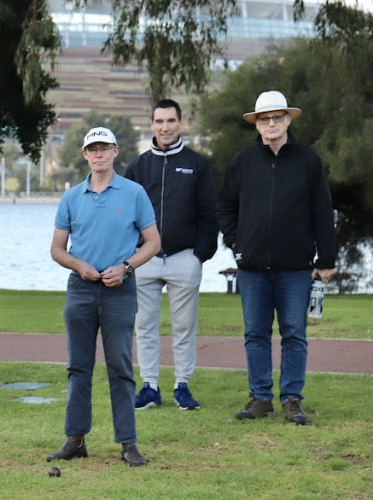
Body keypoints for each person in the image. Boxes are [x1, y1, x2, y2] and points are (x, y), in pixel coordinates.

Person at [216, 90, 336, 425]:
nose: (271, 123)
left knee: (294, 333)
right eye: (264, 119)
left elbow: (323, 212)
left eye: (277, 117)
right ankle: (260, 398)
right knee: (255, 333)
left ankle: (292, 400)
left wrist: (326, 258)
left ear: (288, 120)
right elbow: (224, 206)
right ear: (256, 124)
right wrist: (236, 243)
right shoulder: (242, 161)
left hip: (296, 267)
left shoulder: (308, 160)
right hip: (252, 267)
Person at [48, 127, 161, 467]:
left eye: (104, 148)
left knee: (121, 367)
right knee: (78, 368)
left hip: (119, 290)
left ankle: (128, 444)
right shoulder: (71, 197)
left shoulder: (134, 193)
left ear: (115, 152)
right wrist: (77, 264)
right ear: (85, 155)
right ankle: (75, 439)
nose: (98, 154)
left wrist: (125, 267)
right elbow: (56, 249)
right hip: (80, 288)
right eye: (92, 149)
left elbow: (153, 242)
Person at [124, 99, 219, 411]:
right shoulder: (138, 166)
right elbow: (125, 215)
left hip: (185, 258)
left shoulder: (197, 164)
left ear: (181, 124)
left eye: (171, 121)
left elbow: (209, 213)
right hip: (144, 260)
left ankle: (182, 386)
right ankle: (149, 386)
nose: (165, 127)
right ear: (151, 124)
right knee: (145, 327)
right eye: (159, 121)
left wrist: (200, 255)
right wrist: (132, 255)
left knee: (183, 327)